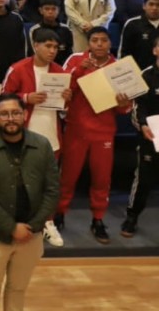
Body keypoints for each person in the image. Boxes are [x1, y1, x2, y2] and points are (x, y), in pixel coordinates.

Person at [0, 93, 59, 311]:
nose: (11, 118)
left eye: (16, 113)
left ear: (25, 114)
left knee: (18, 289)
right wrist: (11, 227)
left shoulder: (42, 145)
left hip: (31, 234)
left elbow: (52, 190)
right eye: (4, 114)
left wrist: (33, 226)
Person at [56, 27, 131, 244]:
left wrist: (123, 103)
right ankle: (58, 214)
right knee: (67, 177)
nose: (99, 44)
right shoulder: (76, 60)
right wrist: (79, 71)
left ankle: (98, 219)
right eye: (95, 40)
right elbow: (62, 91)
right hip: (76, 129)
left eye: (103, 40)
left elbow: (124, 109)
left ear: (110, 43)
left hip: (104, 131)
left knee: (102, 179)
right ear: (88, 43)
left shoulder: (118, 67)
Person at [1, 28, 71, 246]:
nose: (52, 51)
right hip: (22, 135)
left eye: (55, 47)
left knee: (48, 183)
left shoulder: (60, 72)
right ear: (35, 46)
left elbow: (65, 111)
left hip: (51, 134)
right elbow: (2, 99)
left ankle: (47, 222)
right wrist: (26, 98)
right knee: (16, 181)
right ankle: (14, 222)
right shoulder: (18, 68)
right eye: (48, 46)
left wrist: (67, 100)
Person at [121, 36, 159, 237]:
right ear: (155, 50)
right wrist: (142, 125)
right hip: (150, 136)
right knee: (144, 179)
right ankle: (132, 216)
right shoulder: (146, 75)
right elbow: (137, 107)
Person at [27, 0, 73, 66]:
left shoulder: (66, 29)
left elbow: (70, 53)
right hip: (41, 66)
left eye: (54, 9)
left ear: (58, 10)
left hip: (62, 67)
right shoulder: (34, 30)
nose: (50, 12)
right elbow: (33, 52)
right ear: (41, 10)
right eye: (47, 9)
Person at [119, 0, 159, 70]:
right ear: (144, 6)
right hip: (138, 72)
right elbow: (124, 52)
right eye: (151, 4)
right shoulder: (132, 24)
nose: (154, 8)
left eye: (158, 5)